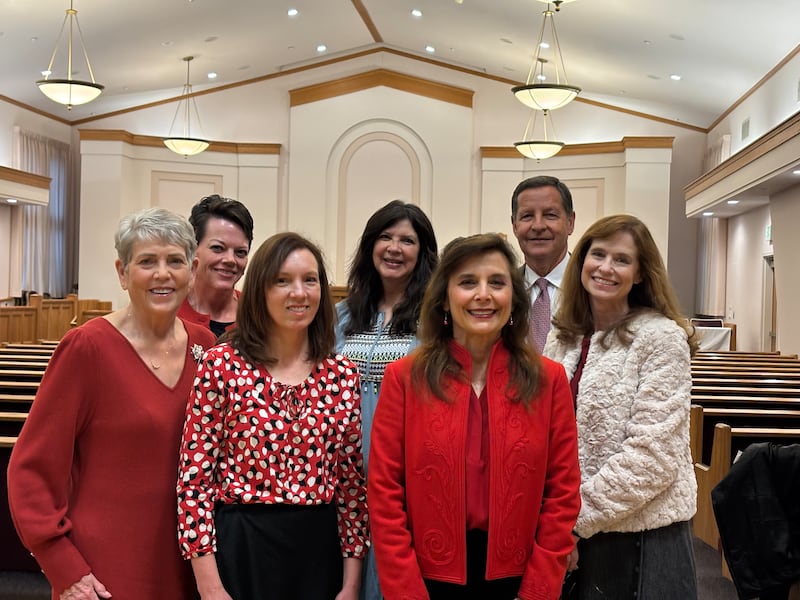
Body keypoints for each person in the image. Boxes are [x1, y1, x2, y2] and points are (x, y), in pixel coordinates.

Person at [7, 207, 217, 600]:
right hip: (105, 569)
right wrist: (63, 567)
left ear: (191, 270)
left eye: (175, 261)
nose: (162, 273)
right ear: (122, 272)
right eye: (147, 261)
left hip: (190, 561)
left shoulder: (205, 346)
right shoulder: (87, 348)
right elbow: (31, 470)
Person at [368, 233, 581, 600]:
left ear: (512, 299)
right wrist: (406, 592)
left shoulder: (549, 380)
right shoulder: (404, 378)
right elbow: (385, 493)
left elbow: (562, 494)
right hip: (426, 579)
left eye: (496, 283)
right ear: (445, 300)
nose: (483, 294)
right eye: (468, 282)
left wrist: (538, 590)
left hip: (518, 579)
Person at [177, 232, 369, 600]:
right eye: (283, 281)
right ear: (261, 290)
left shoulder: (342, 374)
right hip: (242, 547)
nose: (299, 292)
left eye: (309, 280)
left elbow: (350, 488)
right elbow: (194, 482)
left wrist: (351, 583)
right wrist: (209, 585)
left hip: (318, 551)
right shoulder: (221, 366)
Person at [544, 214, 699, 599]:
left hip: (642, 538)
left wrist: (572, 521)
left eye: (621, 259)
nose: (606, 268)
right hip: (573, 533)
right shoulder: (564, 334)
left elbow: (652, 458)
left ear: (641, 273)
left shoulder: (661, 338)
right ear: (582, 260)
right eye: (598, 254)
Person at [335, 200, 438, 600]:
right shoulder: (342, 315)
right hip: (342, 479)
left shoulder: (435, 320)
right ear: (369, 246)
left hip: (404, 478)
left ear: (423, 252)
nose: (394, 248)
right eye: (385, 237)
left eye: (407, 240)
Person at [510, 176, 576, 352]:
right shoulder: (503, 290)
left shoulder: (593, 287)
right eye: (527, 216)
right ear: (514, 225)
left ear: (570, 222)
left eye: (550, 215)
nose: (538, 225)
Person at [178, 194, 254, 336]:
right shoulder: (169, 313)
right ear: (192, 249)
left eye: (240, 252)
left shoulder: (258, 316)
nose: (230, 260)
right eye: (218, 248)